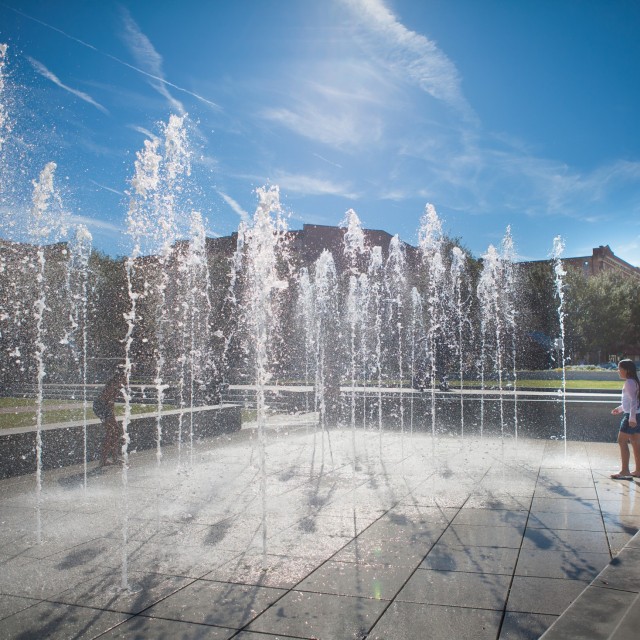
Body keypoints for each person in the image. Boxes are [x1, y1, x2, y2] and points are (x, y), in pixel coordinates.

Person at [610, 359, 640, 480]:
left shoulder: (629, 382)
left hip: (632, 416)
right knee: (636, 443)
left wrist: (631, 418)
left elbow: (633, 401)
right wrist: (620, 409)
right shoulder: (634, 381)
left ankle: (624, 471)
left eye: (619, 368)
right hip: (636, 414)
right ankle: (638, 470)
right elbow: (631, 402)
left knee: (621, 441)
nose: (618, 371)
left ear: (626, 370)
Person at [93, 370, 125, 466]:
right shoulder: (113, 385)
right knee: (110, 432)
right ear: (121, 377)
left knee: (115, 432)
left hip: (104, 408)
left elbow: (111, 402)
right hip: (102, 407)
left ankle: (114, 457)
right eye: (125, 377)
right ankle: (103, 460)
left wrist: (112, 416)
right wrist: (109, 417)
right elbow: (106, 401)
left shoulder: (117, 385)